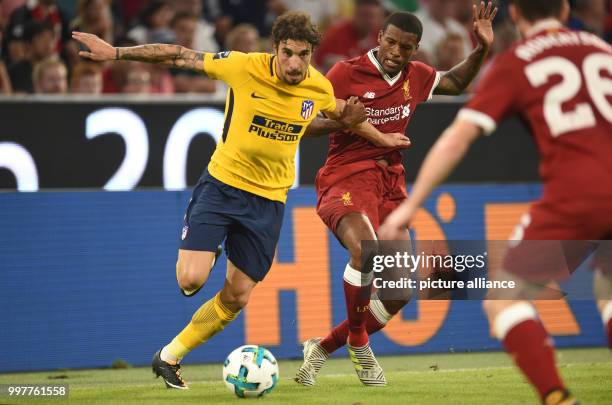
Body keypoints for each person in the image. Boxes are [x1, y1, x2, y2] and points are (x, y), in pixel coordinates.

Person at [72, 11, 407, 390]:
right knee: (190, 281)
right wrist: (115, 52)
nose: (295, 63)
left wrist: (378, 136)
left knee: (237, 296)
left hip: (268, 202)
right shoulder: (242, 66)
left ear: (312, 54)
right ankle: (210, 246)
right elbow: (179, 55)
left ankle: (168, 356)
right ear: (274, 50)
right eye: (287, 53)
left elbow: (332, 117)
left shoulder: (318, 87)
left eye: (303, 54)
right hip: (223, 187)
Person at [379, 1, 612, 403]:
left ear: (516, 15)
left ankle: (557, 397)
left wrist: (410, 205)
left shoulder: (518, 62)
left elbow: (456, 139)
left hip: (577, 198)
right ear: (565, 8)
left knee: (505, 300)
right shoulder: (602, 49)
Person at [295, 2, 497, 387]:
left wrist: (482, 47)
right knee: (365, 250)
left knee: (400, 290)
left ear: (415, 50)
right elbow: (304, 124)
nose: (396, 52)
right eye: (391, 43)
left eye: (405, 48)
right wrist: (341, 119)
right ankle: (358, 341)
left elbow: (454, 83)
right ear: (379, 38)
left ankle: (321, 348)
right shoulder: (344, 72)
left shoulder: (415, 76)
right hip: (346, 178)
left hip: (390, 184)